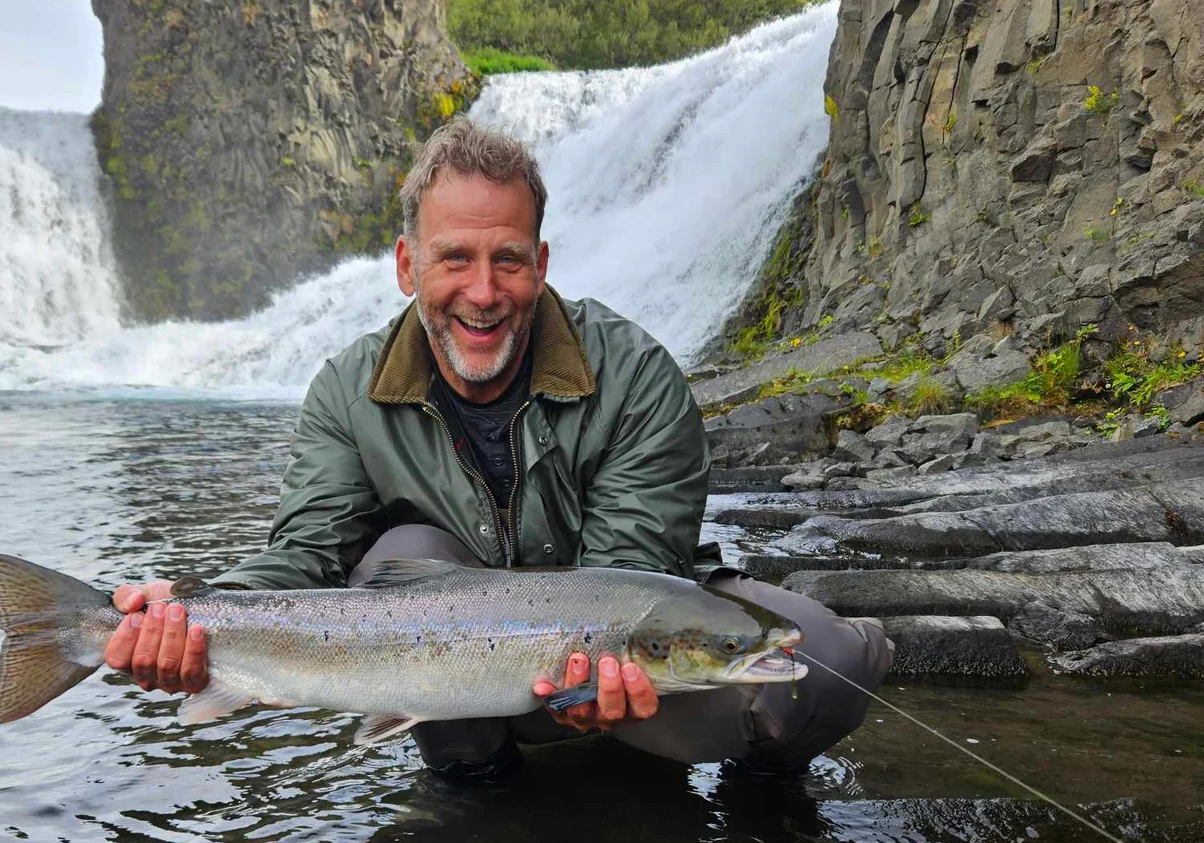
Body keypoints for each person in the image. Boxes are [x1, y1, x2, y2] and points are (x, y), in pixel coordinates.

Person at [104, 118, 892, 779]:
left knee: (827, 666)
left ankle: (751, 792)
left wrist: (596, 690)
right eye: (455, 259)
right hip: (448, 680)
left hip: (608, 673)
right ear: (409, 265)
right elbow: (303, 558)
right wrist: (195, 612)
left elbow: (630, 576)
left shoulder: (638, 374)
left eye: (507, 260)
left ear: (540, 264)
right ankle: (472, 783)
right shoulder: (347, 390)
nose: (483, 292)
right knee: (401, 551)